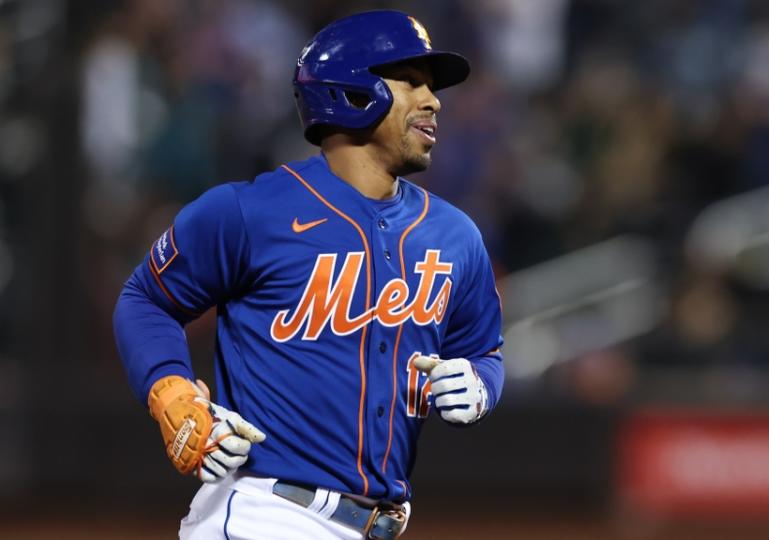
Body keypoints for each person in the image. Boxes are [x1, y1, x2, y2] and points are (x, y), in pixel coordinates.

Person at [113, 10, 504, 540]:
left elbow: (483, 350)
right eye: (410, 81)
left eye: (431, 87)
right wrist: (171, 392)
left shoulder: (456, 236)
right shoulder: (251, 212)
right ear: (352, 91)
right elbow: (146, 298)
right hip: (264, 513)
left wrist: (481, 383)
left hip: (376, 525)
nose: (432, 100)